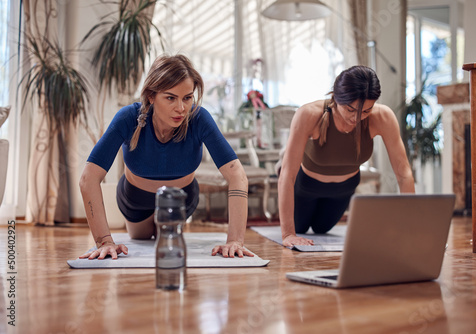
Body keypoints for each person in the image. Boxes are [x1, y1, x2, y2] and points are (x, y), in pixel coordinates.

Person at [79, 54, 253, 260]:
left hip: (181, 198)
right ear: (152, 96)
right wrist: (104, 241)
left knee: (167, 240)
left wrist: (235, 241)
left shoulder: (199, 119)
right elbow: (88, 179)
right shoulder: (128, 118)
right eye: (171, 98)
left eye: (187, 98)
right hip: (135, 199)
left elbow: (237, 176)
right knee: (142, 239)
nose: (181, 108)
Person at [278, 65, 415, 247]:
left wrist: (411, 229)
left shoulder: (383, 117)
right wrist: (288, 234)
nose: (357, 118)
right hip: (306, 186)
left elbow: (403, 173)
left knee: (321, 228)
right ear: (336, 97)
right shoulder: (309, 114)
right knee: (301, 228)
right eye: (350, 110)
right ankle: (282, 157)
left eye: (366, 111)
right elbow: (287, 174)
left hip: (344, 189)